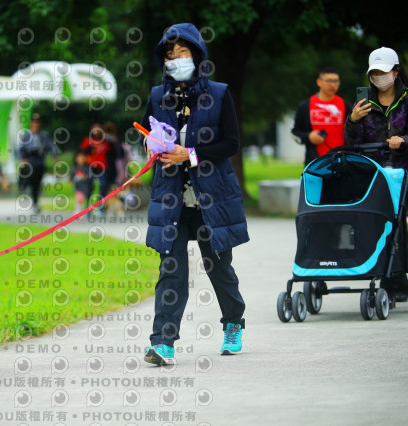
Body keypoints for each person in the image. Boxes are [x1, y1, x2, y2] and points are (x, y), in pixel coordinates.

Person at [141, 23, 249, 365]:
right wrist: (150, 144)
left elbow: (231, 143)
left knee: (219, 268)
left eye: (182, 52)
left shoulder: (219, 94)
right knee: (171, 270)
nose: (176, 59)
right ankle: (163, 342)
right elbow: (147, 131)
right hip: (171, 199)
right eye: (170, 55)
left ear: (197, 56)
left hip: (211, 199)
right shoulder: (157, 96)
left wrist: (190, 154)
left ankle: (233, 323)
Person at [345, 46, 408, 274]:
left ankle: (397, 275)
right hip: (370, 175)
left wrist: (404, 140)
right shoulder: (363, 103)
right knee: (373, 223)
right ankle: (374, 268)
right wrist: (353, 120)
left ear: (395, 72)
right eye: (375, 73)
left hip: (401, 175)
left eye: (383, 72)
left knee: (396, 223)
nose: (379, 77)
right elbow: (351, 141)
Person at [292, 67, 352, 166]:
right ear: (319, 82)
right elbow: (295, 132)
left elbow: (354, 132)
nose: (333, 85)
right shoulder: (306, 106)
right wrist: (308, 137)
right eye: (329, 81)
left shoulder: (346, 106)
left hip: (341, 161)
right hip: (314, 162)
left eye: (336, 81)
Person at [17, 113, 58, 213]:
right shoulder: (27, 135)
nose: (36, 124)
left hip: (40, 160)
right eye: (34, 122)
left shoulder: (44, 135)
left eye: (37, 122)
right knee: (31, 181)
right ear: (31, 123)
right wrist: (23, 158)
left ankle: (35, 202)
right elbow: (21, 147)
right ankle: (32, 197)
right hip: (30, 160)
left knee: (37, 182)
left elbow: (51, 146)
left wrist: (54, 155)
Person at [80, 122, 111, 215]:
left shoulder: (105, 142)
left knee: (103, 185)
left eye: (99, 130)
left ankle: (100, 207)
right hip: (90, 166)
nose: (97, 132)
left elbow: (110, 153)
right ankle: (88, 208)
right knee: (89, 186)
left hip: (102, 166)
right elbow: (83, 153)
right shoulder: (87, 141)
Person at [71, 151, 91, 217]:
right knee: (79, 198)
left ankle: (79, 211)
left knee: (81, 199)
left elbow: (89, 176)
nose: (80, 159)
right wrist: (71, 181)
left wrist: (83, 176)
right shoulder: (75, 168)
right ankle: (78, 211)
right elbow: (71, 176)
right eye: (79, 158)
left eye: (82, 158)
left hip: (85, 187)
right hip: (77, 187)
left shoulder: (86, 168)